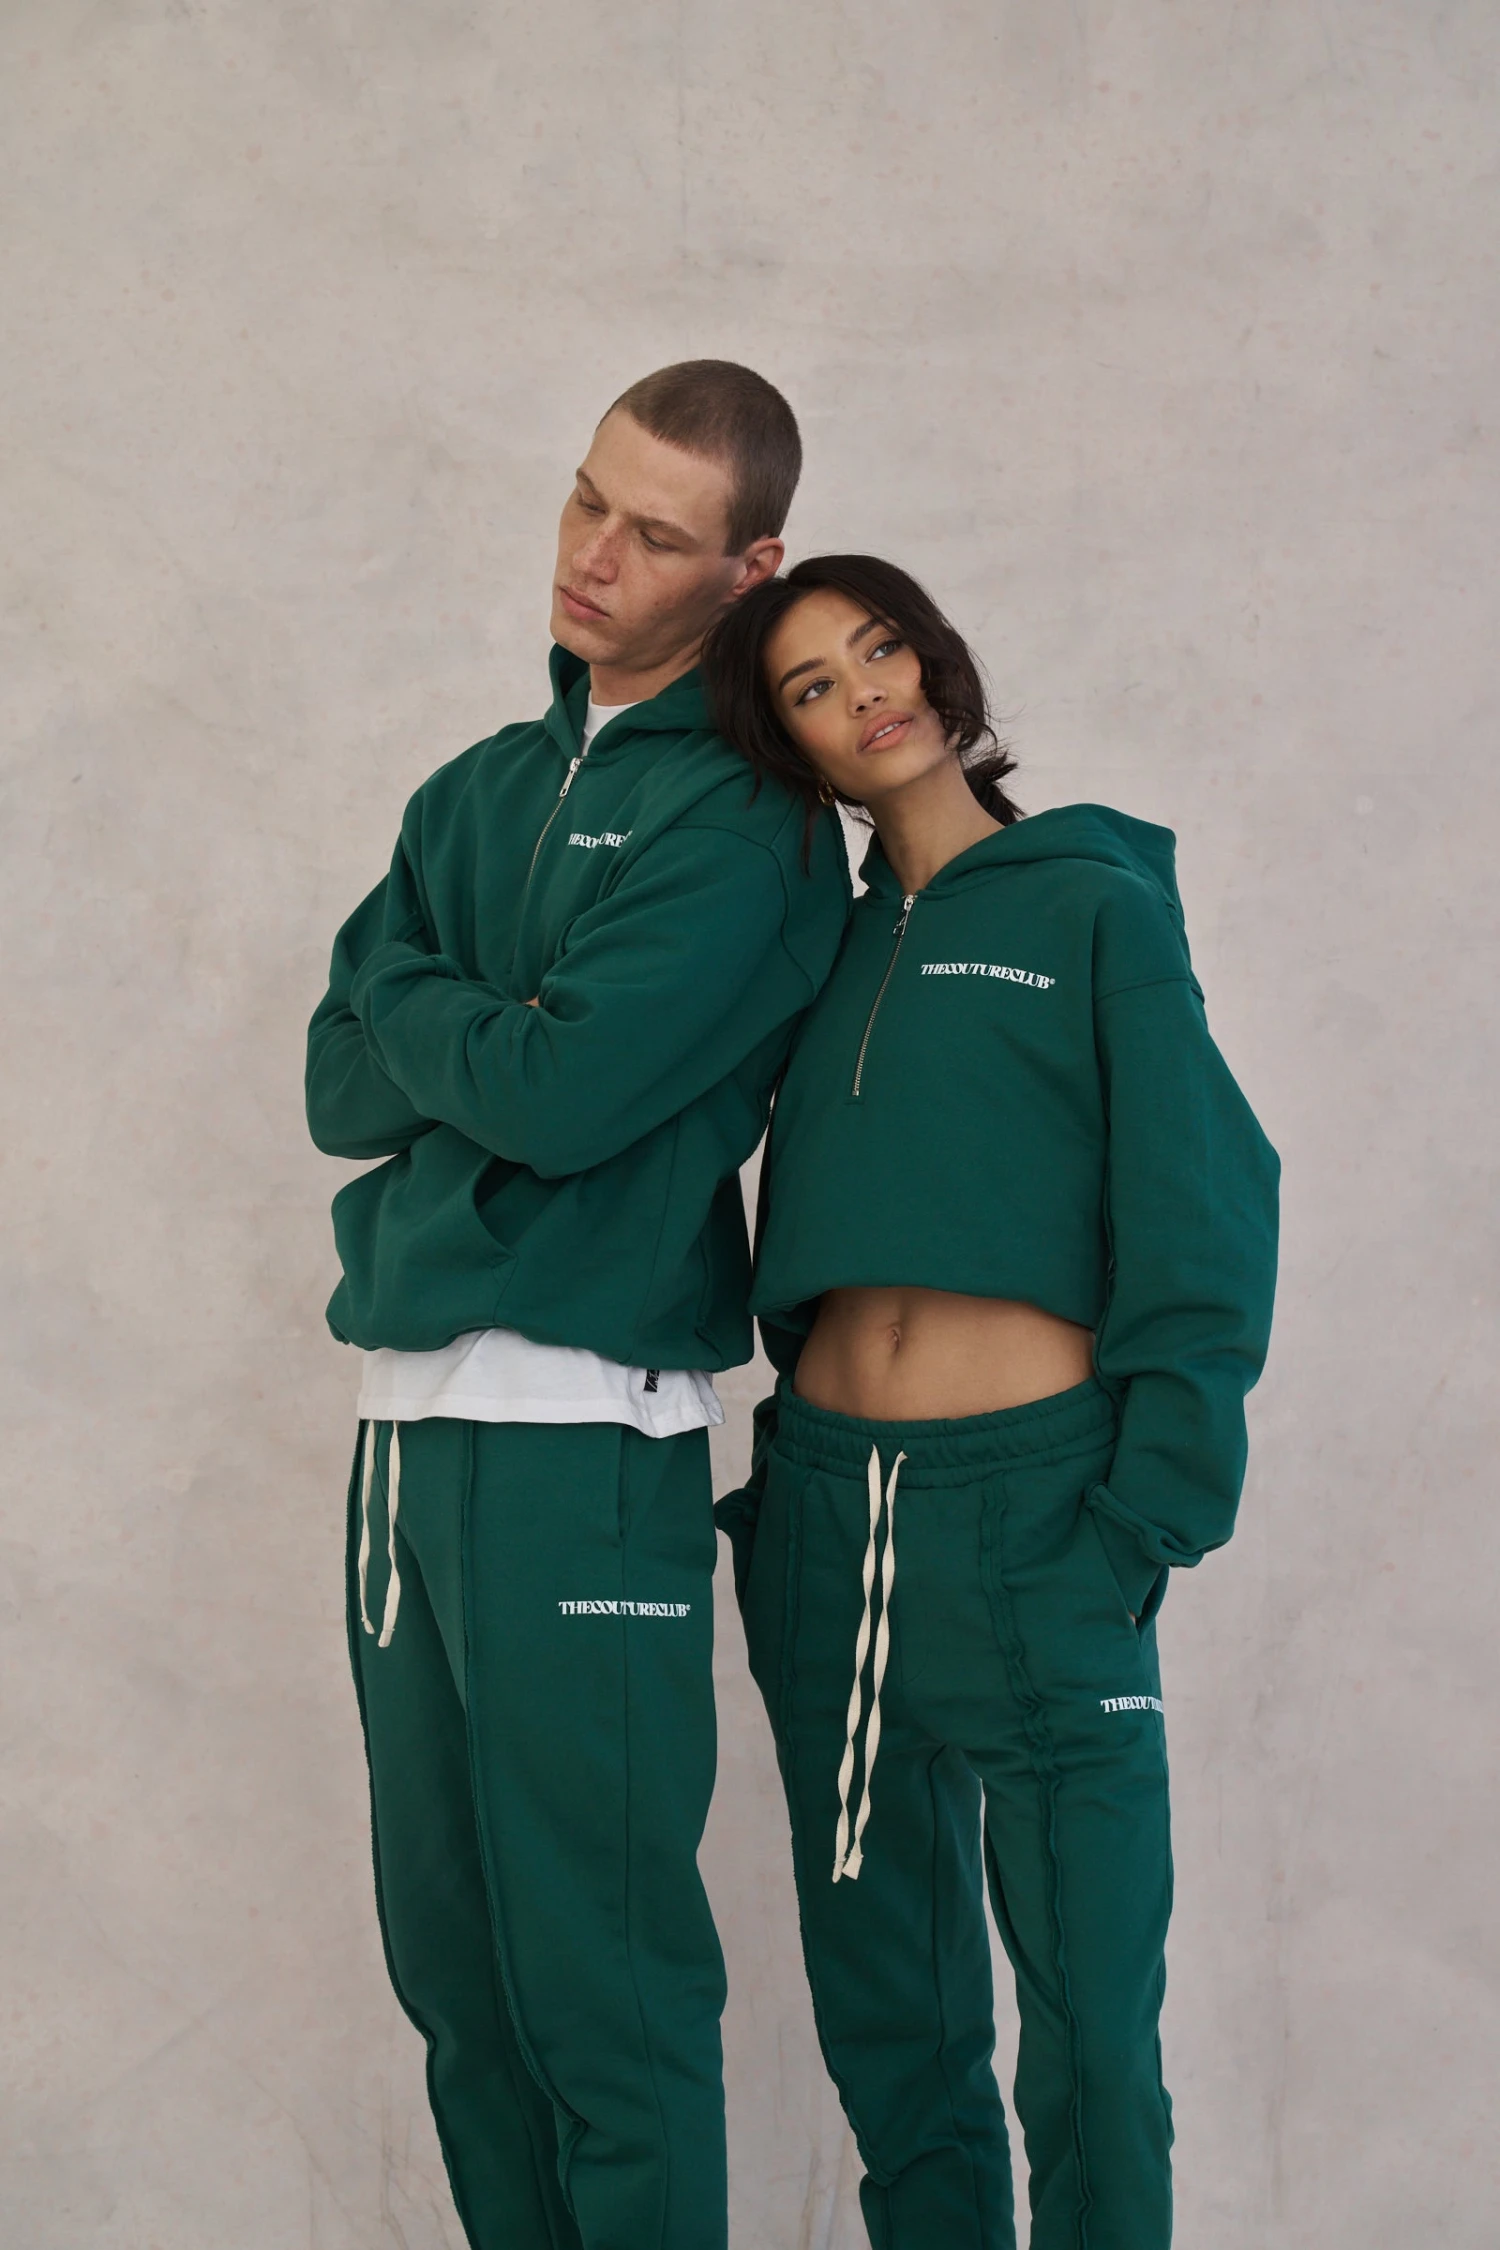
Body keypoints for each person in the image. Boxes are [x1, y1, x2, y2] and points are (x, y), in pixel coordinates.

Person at [303, 366, 849, 2250]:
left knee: (598, 1991)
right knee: (458, 1985)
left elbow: (554, 1094)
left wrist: (420, 1003)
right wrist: (484, 1028)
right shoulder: (471, 790)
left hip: (582, 1443)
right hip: (400, 1429)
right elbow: (334, 1087)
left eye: (658, 533)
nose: (596, 554)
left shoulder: (750, 823)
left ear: (749, 568)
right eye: (587, 500)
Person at [700, 554, 1279, 2250]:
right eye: (813, 685)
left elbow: (1204, 1202)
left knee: (1092, 2038)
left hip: (1042, 1516)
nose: (865, 692)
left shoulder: (1093, 906)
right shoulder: (813, 948)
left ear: (938, 661)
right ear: (793, 744)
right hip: (827, 1521)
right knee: (898, 2036)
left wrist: (1146, 1515)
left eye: (880, 647)